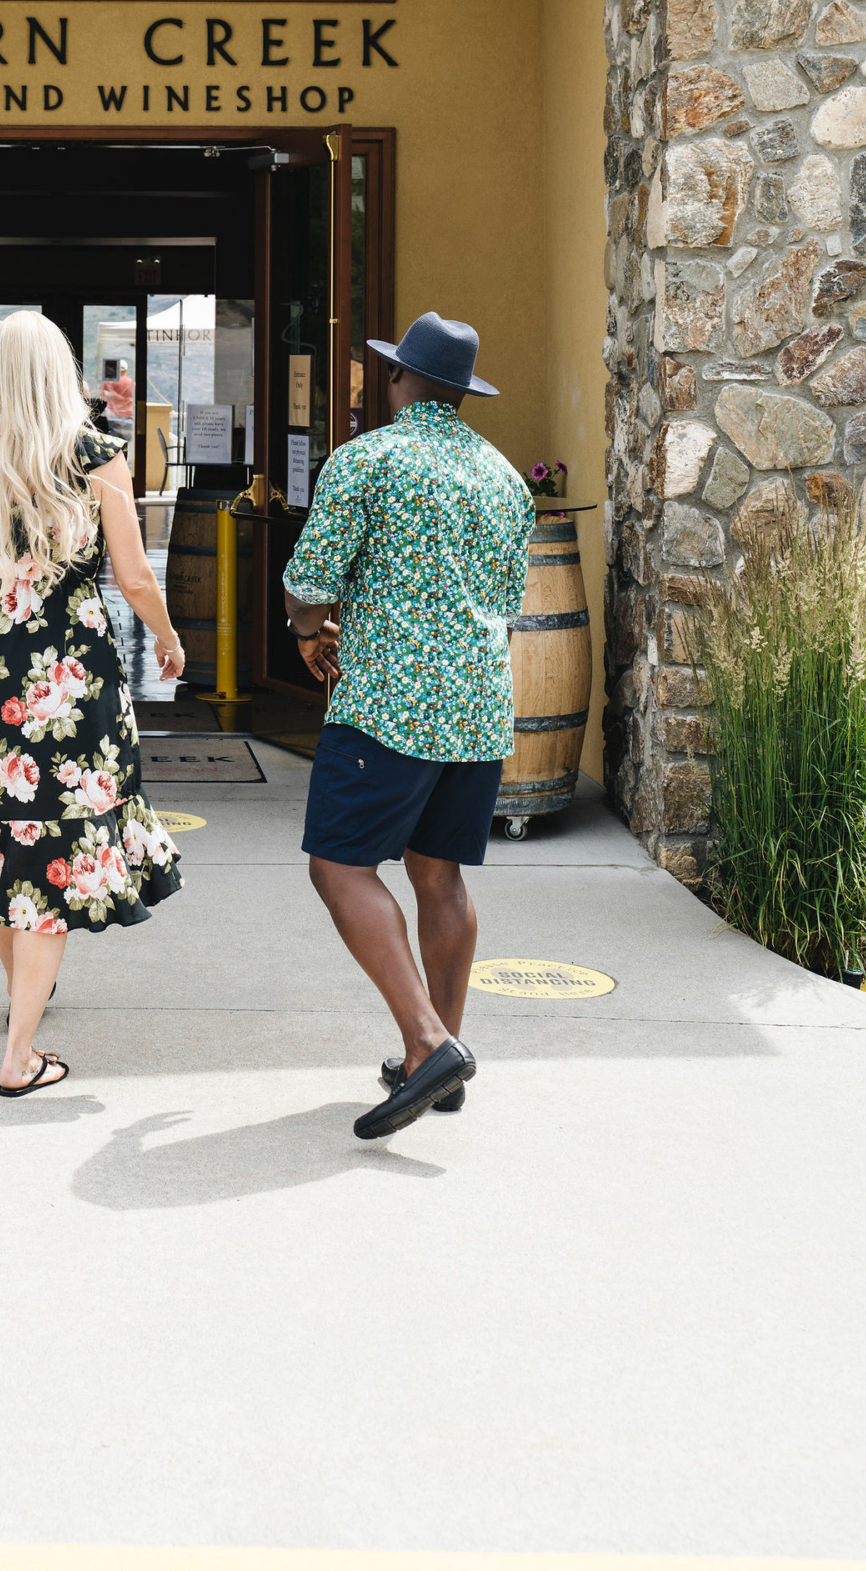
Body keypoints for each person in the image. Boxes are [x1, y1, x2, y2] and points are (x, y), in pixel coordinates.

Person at [282, 312, 533, 1139]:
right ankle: (444, 1059)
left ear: (399, 381)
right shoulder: (504, 479)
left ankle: (427, 1045)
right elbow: (504, 597)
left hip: (387, 700)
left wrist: (309, 633)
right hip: (477, 704)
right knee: (440, 877)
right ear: (458, 392)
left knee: (338, 867)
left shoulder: (368, 460)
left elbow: (310, 579)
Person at [0, 310, 185, 1098]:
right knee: (52, 846)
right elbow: (134, 575)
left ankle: (22, 1008)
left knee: (3, 834)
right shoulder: (95, 454)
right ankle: (17, 1057)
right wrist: (169, 638)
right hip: (68, 670)